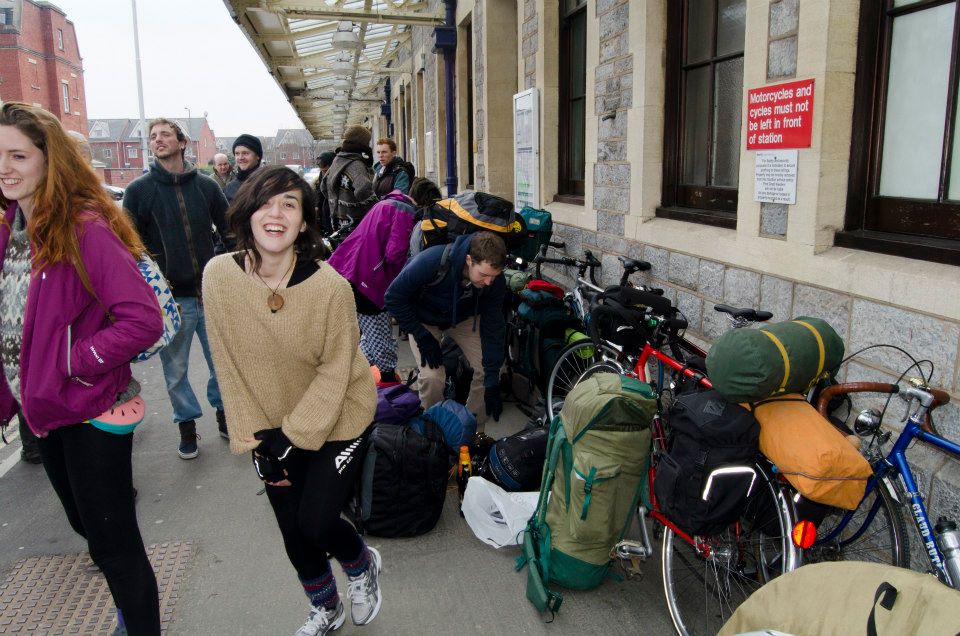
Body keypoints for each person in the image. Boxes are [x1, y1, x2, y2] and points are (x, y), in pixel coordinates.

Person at [0, 102, 162, 635]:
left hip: (92, 406)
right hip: (43, 408)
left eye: (17, 154)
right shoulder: (11, 228)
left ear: (50, 160)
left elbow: (142, 320)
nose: (5, 166)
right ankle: (127, 606)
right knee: (89, 528)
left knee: (115, 546)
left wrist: (72, 361)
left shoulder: (83, 227)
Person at [203, 166, 382, 636]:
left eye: (289, 204)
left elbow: (336, 370)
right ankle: (326, 607)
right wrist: (253, 437)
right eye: (265, 202)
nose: (275, 213)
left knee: (318, 521)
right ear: (247, 213)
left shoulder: (331, 288)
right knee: (292, 529)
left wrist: (295, 436)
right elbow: (227, 362)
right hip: (271, 420)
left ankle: (361, 564)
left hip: (341, 413)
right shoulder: (220, 277)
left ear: (304, 222)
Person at [123, 117, 230, 459]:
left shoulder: (206, 186)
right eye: (153, 136)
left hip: (211, 293)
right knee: (176, 371)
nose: (157, 140)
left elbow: (229, 232)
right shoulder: (139, 191)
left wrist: (226, 266)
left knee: (222, 363)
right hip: (172, 299)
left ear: (182, 142)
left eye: (165, 134)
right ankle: (186, 425)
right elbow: (128, 244)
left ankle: (224, 414)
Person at [385, 231, 507, 431]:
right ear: (469, 260)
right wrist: (422, 336)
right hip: (424, 319)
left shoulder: (494, 282)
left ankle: (472, 428)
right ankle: (434, 429)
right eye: (484, 275)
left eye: (493, 277)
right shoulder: (432, 261)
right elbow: (393, 297)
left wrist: (492, 378)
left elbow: (494, 325)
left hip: (462, 317)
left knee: (488, 370)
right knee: (432, 377)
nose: (488, 282)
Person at [327, 177, 443, 386]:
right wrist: (411, 277)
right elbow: (395, 254)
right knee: (379, 332)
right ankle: (386, 379)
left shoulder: (388, 203)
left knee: (369, 333)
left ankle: (346, 374)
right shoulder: (405, 213)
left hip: (351, 270)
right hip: (369, 281)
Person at [323, 126, 377, 225]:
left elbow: (324, 186)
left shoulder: (337, 160)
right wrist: (378, 208)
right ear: (363, 143)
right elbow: (363, 189)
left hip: (338, 221)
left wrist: (337, 203)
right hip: (356, 224)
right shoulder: (356, 164)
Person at [224, 134, 263, 203]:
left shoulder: (269, 184)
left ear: (257, 156)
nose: (240, 157)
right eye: (237, 153)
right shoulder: (229, 188)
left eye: (245, 153)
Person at [314, 151, 335, 235]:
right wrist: (316, 206)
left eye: (326, 170)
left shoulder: (336, 175)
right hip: (324, 213)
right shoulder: (321, 175)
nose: (324, 172)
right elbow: (320, 192)